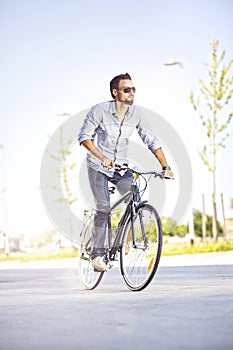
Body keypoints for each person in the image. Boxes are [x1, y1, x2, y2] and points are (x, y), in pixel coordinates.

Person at [78, 73, 173, 272]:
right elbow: (84, 137)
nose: (131, 93)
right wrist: (101, 156)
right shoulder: (99, 111)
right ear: (115, 92)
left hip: (121, 166)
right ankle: (96, 255)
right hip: (98, 166)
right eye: (126, 89)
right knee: (104, 208)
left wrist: (165, 167)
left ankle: (123, 243)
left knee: (135, 200)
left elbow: (152, 141)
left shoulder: (136, 114)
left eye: (133, 89)